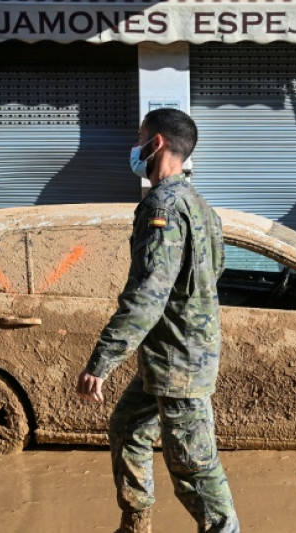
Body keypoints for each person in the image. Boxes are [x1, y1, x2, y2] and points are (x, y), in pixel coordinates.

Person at [75, 108, 240, 533]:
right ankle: (136, 523)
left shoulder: (162, 207)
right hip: (170, 356)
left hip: (179, 362)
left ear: (158, 143)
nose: (135, 147)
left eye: (139, 137)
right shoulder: (201, 206)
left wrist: (102, 360)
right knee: (128, 425)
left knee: (194, 469)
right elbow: (214, 271)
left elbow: (149, 293)